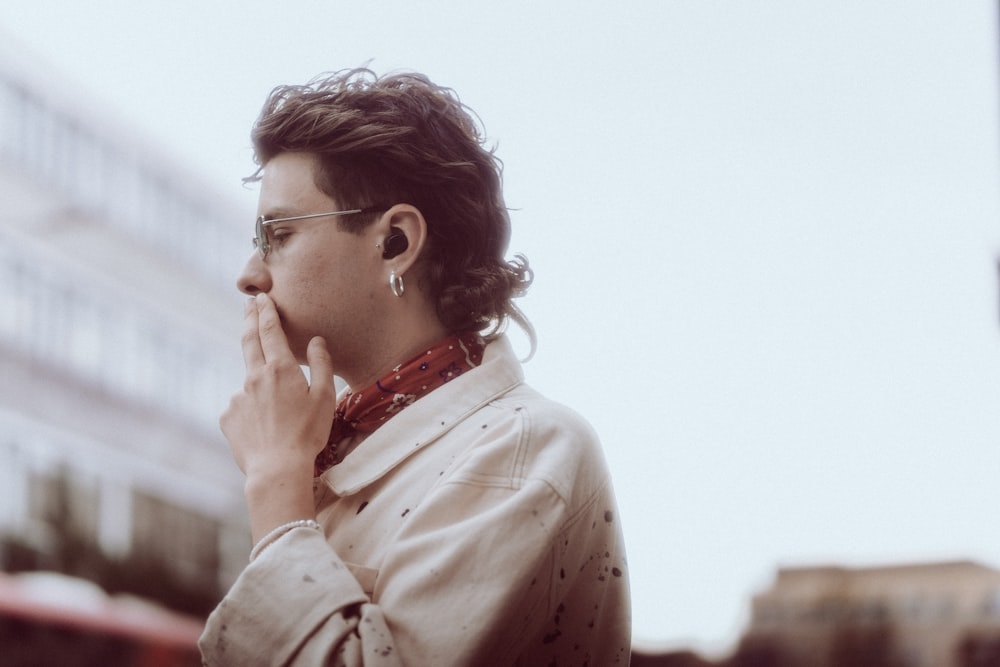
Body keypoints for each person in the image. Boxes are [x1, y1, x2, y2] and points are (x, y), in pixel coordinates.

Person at [198, 68, 630, 666]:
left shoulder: (526, 449)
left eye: (279, 233)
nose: (249, 275)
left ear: (395, 241)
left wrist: (275, 481)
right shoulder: (331, 445)